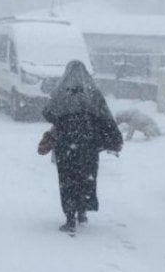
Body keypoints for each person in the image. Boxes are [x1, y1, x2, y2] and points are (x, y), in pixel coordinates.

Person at [42, 60, 123, 233]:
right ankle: (83, 211)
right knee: (86, 178)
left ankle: (70, 218)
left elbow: (48, 113)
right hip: (88, 145)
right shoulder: (93, 93)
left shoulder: (61, 93)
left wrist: (65, 119)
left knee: (67, 180)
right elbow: (105, 117)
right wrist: (113, 137)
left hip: (66, 145)